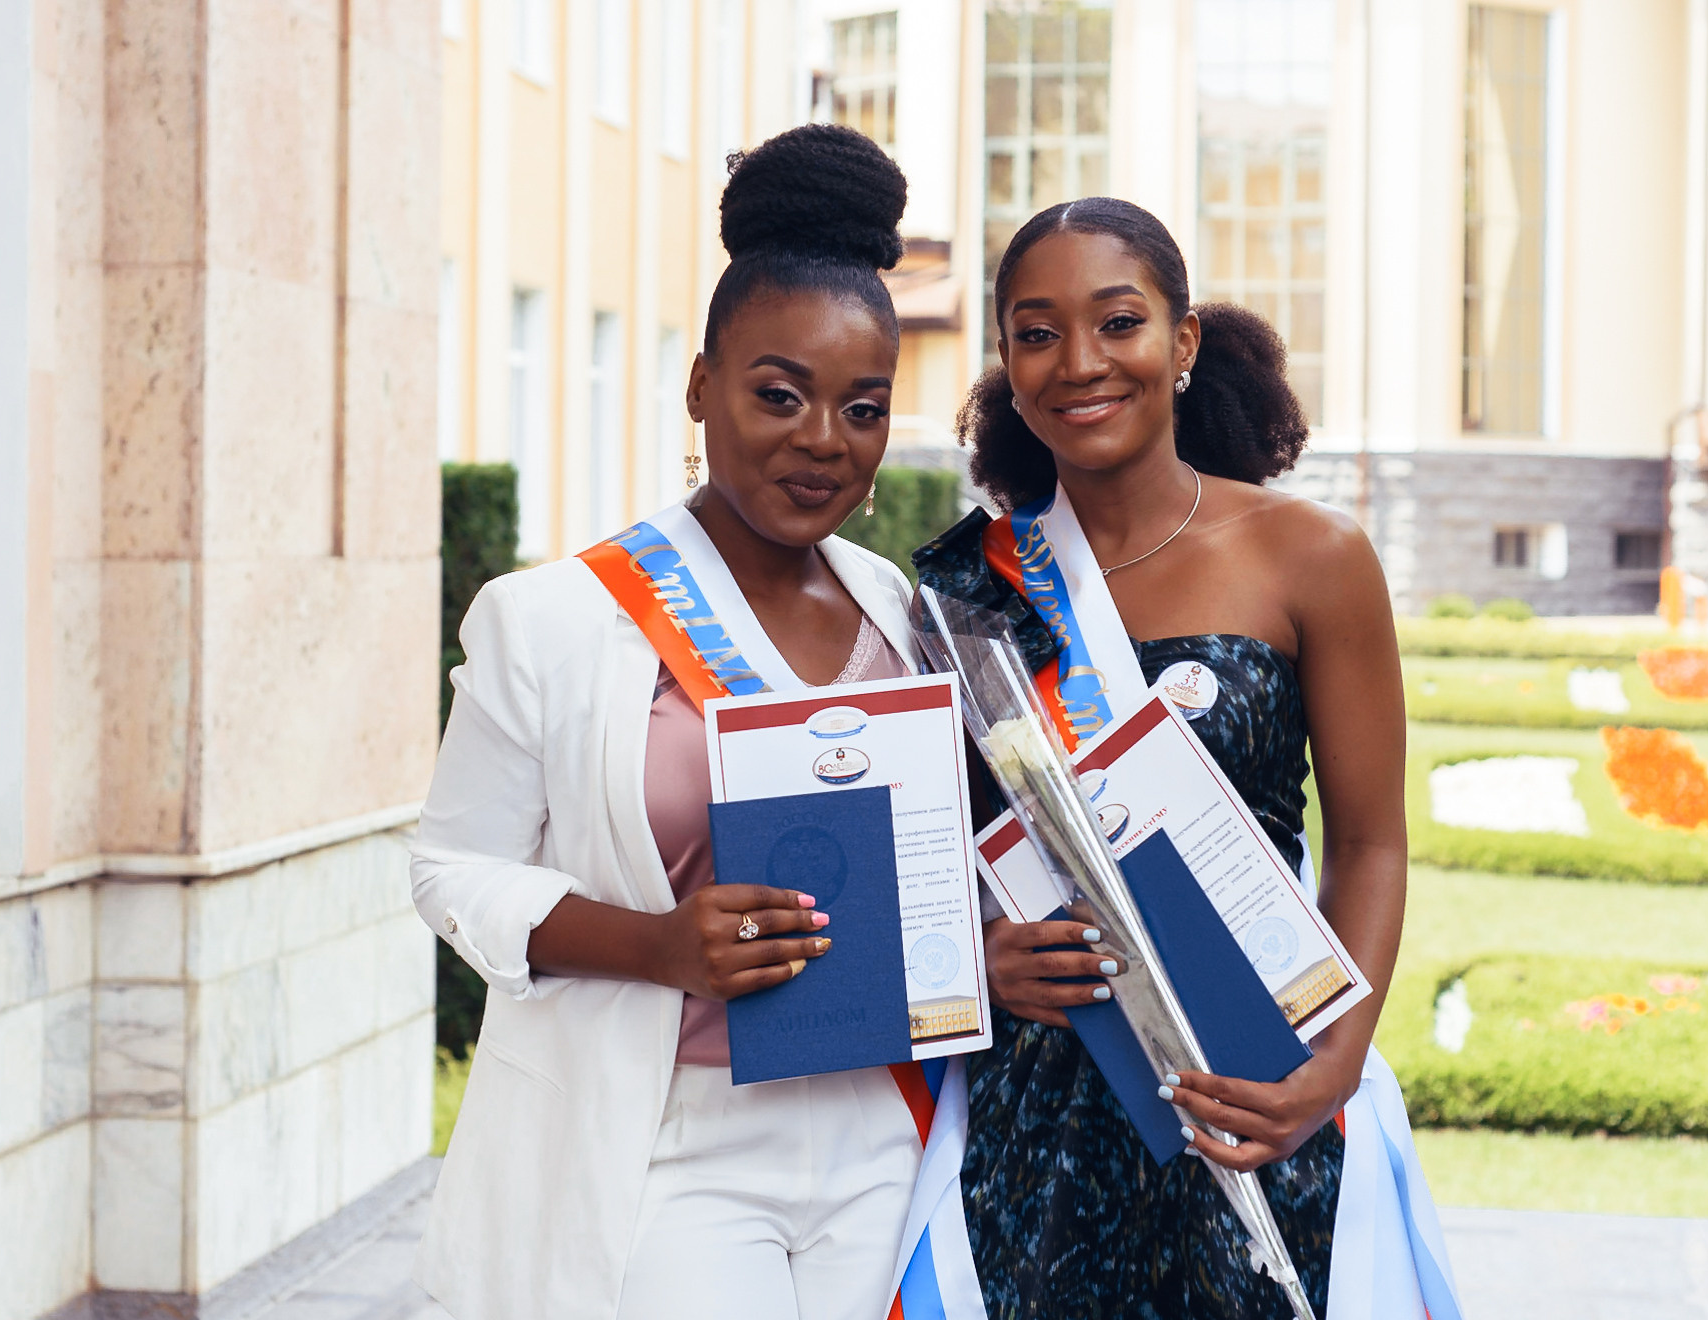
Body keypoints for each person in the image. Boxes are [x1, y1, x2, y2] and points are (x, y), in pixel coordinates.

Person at [410, 125, 929, 1320]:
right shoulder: (553, 617)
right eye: (778, 394)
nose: (823, 441)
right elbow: (449, 869)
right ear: (701, 386)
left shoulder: (899, 611)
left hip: (875, 1130)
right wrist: (655, 945)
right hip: (666, 1142)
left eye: (863, 408)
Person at [914, 196, 1428, 1318]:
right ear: (1005, 359)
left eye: (1119, 322)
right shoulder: (961, 590)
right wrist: (980, 955)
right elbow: (930, 854)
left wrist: (1332, 1068)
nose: (1079, 363)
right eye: (1037, 333)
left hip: (1255, 1081)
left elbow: (1375, 841)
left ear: (1182, 342)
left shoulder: (1310, 557)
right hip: (1035, 1104)